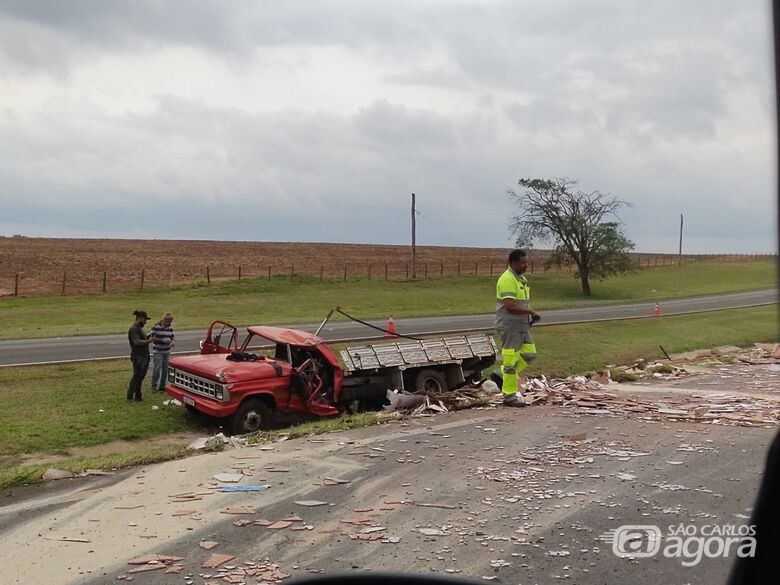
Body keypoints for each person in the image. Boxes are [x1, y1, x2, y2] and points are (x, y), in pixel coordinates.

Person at [494, 249, 540, 407]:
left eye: (527, 262)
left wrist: (529, 316)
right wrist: (531, 311)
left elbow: (521, 302)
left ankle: (504, 372)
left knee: (529, 353)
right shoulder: (507, 279)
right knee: (510, 361)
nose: (526, 266)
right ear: (512, 263)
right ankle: (509, 396)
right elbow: (509, 305)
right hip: (509, 326)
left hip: (522, 325)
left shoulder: (521, 280)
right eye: (523, 263)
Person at [127, 310, 155, 401]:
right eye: (145, 320)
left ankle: (137, 395)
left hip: (143, 356)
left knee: (140, 377)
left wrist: (148, 337)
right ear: (140, 318)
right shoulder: (134, 329)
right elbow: (136, 342)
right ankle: (131, 395)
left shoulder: (139, 329)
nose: (146, 322)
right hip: (138, 357)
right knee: (137, 376)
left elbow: (141, 339)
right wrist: (149, 341)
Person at [149, 312, 175, 392]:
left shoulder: (170, 327)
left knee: (165, 369)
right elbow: (151, 338)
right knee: (157, 368)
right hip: (158, 350)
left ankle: (162, 386)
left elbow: (172, 337)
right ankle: (154, 385)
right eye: (167, 321)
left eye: (170, 321)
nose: (168, 323)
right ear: (164, 319)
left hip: (167, 351)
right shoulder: (156, 327)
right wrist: (162, 340)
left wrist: (172, 342)